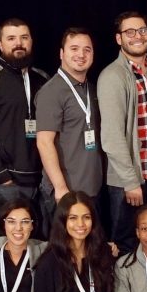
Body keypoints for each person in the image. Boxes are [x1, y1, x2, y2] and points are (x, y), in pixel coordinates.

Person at [97, 11, 147, 251]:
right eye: (130, 32)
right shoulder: (112, 76)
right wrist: (130, 182)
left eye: (142, 30)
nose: (137, 36)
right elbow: (112, 136)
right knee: (127, 243)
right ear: (119, 39)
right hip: (129, 180)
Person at [0, 18, 49, 238]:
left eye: (24, 38)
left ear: (31, 41)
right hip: (4, 185)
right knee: (4, 249)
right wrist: (2, 176)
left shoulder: (42, 78)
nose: (19, 43)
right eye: (11, 38)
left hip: (39, 184)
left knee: (37, 248)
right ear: (0, 45)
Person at [35, 28, 102, 234]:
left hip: (91, 189)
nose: (81, 55)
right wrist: (61, 189)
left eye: (87, 50)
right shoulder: (52, 91)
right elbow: (44, 142)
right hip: (65, 192)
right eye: (74, 49)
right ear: (61, 53)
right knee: (64, 255)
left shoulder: (90, 88)